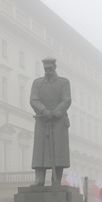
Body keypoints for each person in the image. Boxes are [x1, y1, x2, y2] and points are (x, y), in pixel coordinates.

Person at [30, 57, 71, 187]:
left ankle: (56, 179)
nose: (48, 72)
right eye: (45, 69)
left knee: (59, 151)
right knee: (40, 150)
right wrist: (44, 111)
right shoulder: (37, 83)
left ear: (55, 68)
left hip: (58, 121)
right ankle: (39, 178)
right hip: (42, 120)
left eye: (50, 69)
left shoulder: (64, 83)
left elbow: (66, 99)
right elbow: (33, 100)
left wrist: (57, 111)